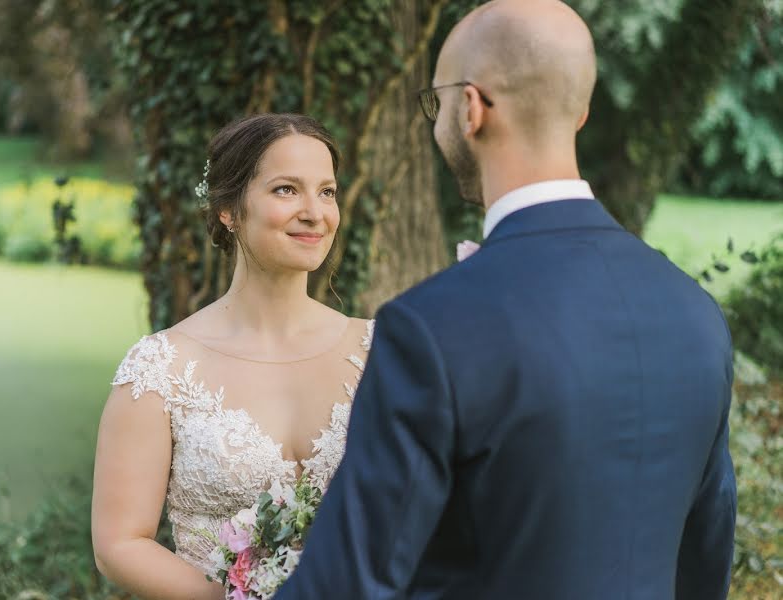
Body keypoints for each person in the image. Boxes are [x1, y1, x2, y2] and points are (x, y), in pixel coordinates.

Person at [274, 1, 736, 598]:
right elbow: (706, 562)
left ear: (471, 108)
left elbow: (347, 587)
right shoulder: (696, 313)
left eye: (435, 103)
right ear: (581, 112)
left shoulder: (431, 329)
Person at [90, 113, 373, 600]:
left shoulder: (378, 351)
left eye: (326, 191)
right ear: (228, 209)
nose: (315, 212)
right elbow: (119, 543)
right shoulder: (162, 369)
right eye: (287, 190)